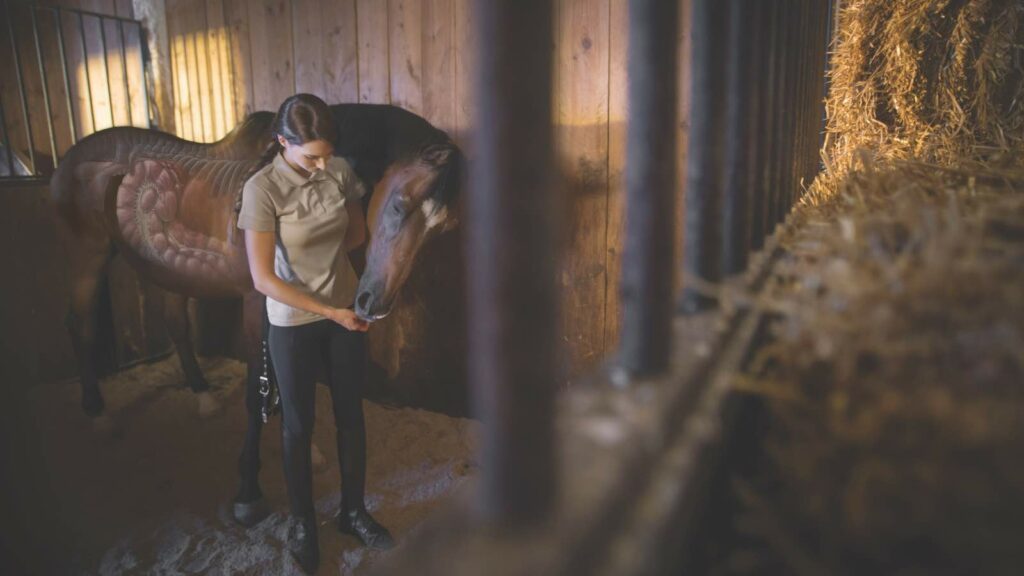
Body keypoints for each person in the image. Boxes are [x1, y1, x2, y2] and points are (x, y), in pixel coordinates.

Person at [238, 93, 394, 574]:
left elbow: (356, 236)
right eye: (312, 156)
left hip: (345, 311)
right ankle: (304, 523)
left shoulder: (339, 170)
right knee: (298, 425)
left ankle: (353, 511)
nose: (323, 164)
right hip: (295, 320)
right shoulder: (262, 189)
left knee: (351, 415)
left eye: (328, 153)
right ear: (283, 142)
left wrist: (342, 294)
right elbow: (263, 279)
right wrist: (328, 308)